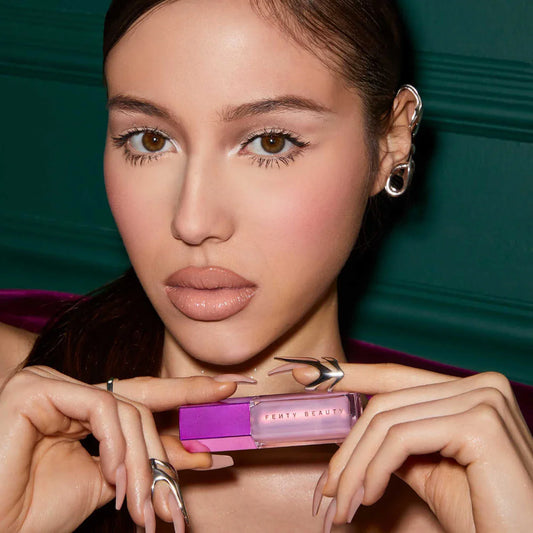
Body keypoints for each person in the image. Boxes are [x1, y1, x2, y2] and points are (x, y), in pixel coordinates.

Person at [0, 0, 532, 531]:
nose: (192, 221)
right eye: (151, 139)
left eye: (270, 142)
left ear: (392, 140)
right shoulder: (14, 412)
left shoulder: (477, 502)